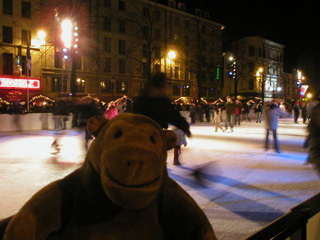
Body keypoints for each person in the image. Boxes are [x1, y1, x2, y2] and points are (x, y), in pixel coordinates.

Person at [132, 72, 191, 137]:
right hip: (153, 133)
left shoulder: (141, 98)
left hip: (141, 132)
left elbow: (172, 115)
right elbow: (172, 115)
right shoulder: (161, 100)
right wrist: (184, 127)